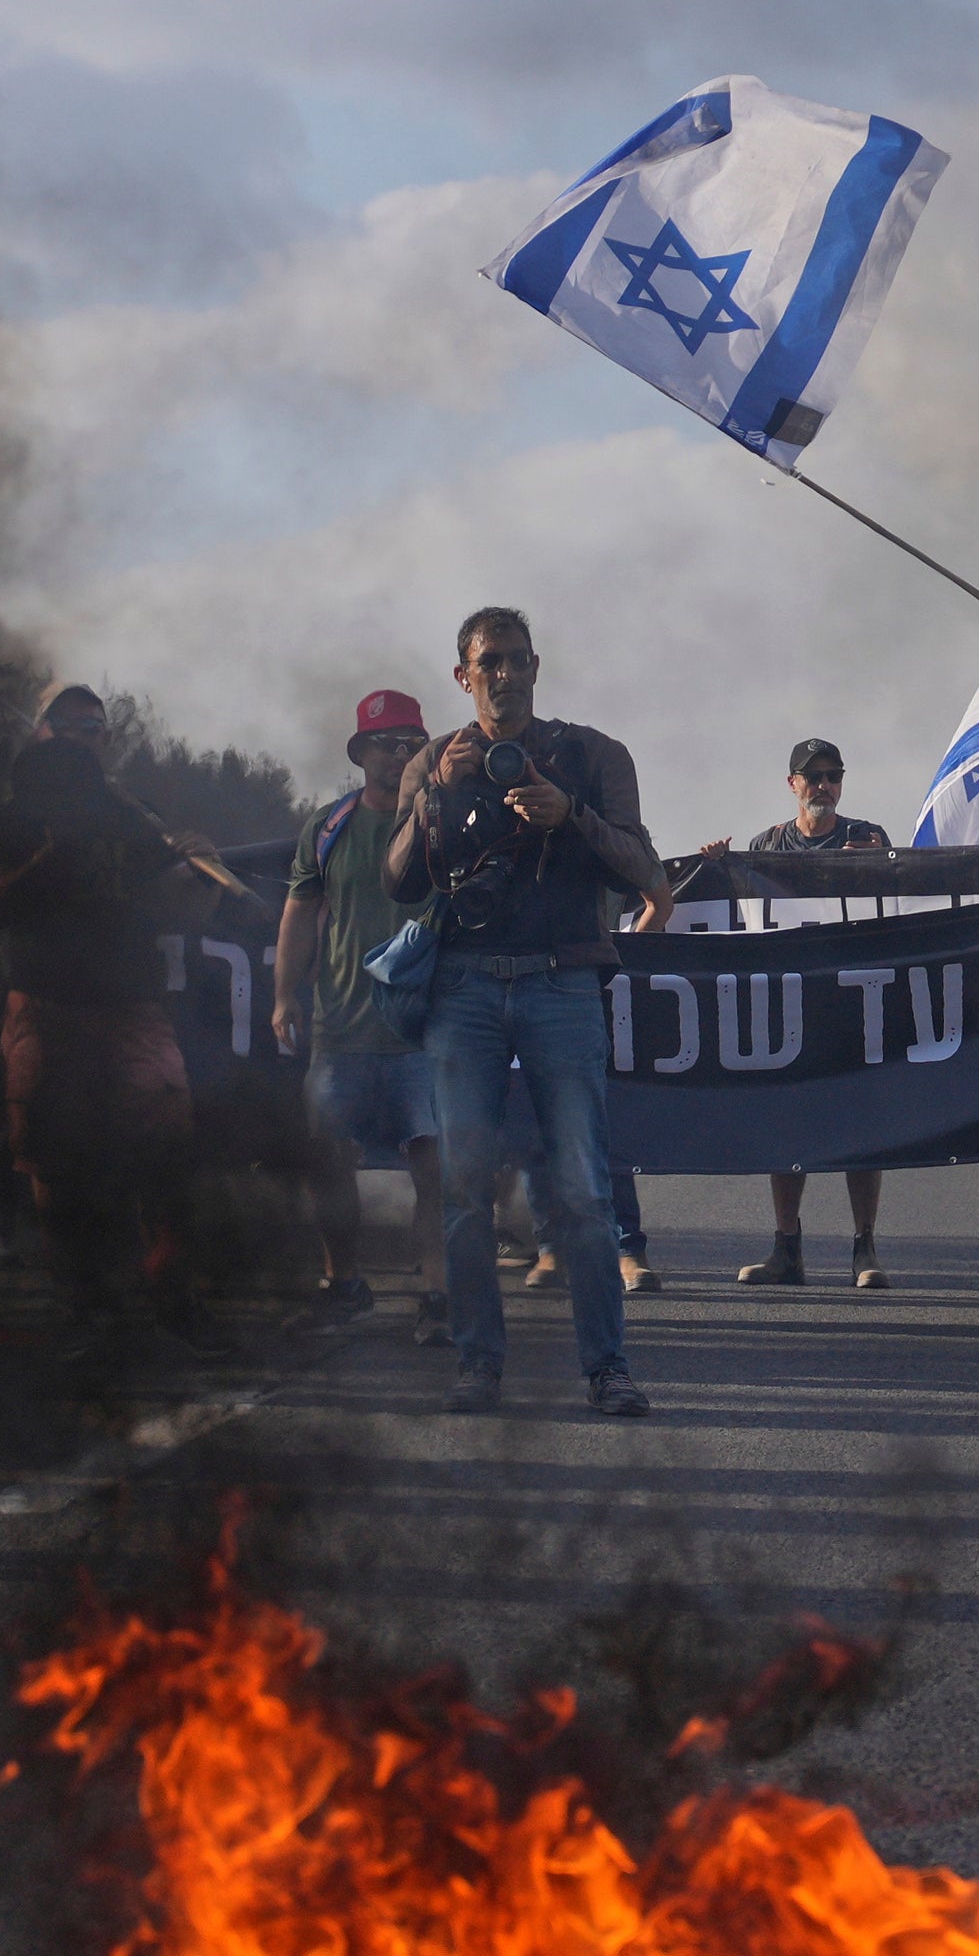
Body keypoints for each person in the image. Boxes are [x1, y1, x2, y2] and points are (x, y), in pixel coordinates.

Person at [386, 604, 671, 1417]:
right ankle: (478, 1364)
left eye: (517, 660)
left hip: (560, 983)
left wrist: (568, 814)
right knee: (466, 1188)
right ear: (462, 674)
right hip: (464, 987)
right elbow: (398, 882)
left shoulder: (591, 754)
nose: (504, 675)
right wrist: (436, 795)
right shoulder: (434, 759)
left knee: (583, 1188)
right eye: (490, 662)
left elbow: (641, 869)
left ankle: (605, 1367)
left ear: (536, 668)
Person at [0, 685, 190, 1335]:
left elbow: (173, 903)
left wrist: (193, 865)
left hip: (131, 1002)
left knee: (166, 1139)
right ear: (42, 730)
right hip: (45, 1000)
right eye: (70, 722)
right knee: (53, 1159)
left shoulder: (129, 810)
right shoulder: (13, 812)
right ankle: (80, 1303)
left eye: (95, 725)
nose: (84, 733)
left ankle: (165, 1292)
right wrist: (50, 854)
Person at [272, 688, 444, 1336]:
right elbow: (299, 914)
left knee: (435, 1169)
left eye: (410, 744)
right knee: (328, 1160)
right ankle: (342, 1281)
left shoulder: (440, 823)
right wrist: (283, 995)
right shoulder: (328, 825)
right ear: (360, 750)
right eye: (386, 742)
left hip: (421, 1029)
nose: (398, 753)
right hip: (340, 1026)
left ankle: (436, 1295)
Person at [727, 736, 896, 1287]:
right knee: (786, 1125)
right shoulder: (766, 845)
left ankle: (864, 1247)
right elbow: (736, 911)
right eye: (813, 776)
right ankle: (787, 1247)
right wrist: (713, 868)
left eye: (833, 775)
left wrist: (872, 869)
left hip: (851, 1002)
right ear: (792, 783)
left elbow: (902, 900)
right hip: (789, 1007)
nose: (824, 785)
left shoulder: (868, 838)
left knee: (862, 1126)